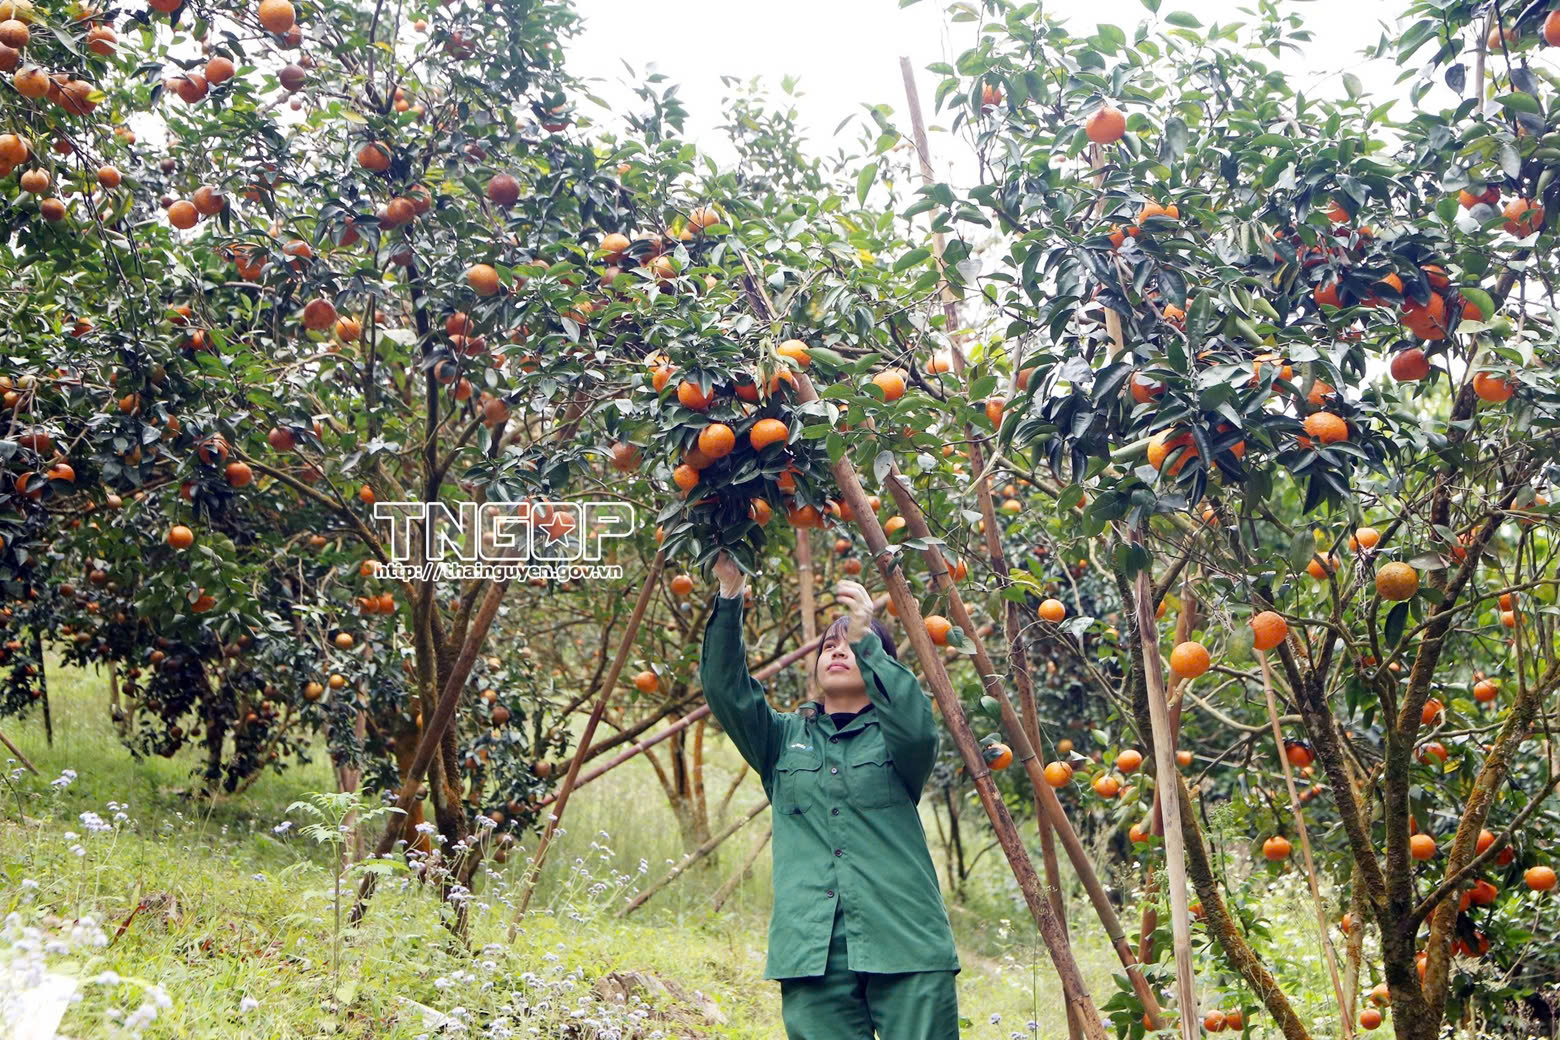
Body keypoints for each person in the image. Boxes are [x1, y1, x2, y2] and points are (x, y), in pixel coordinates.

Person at [699, 549, 961, 1040]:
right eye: (829, 646)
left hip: (904, 938)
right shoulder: (779, 738)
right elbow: (725, 689)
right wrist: (730, 593)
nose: (837, 652)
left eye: (851, 646)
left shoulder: (899, 740)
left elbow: (919, 727)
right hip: (811, 951)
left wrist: (868, 637)